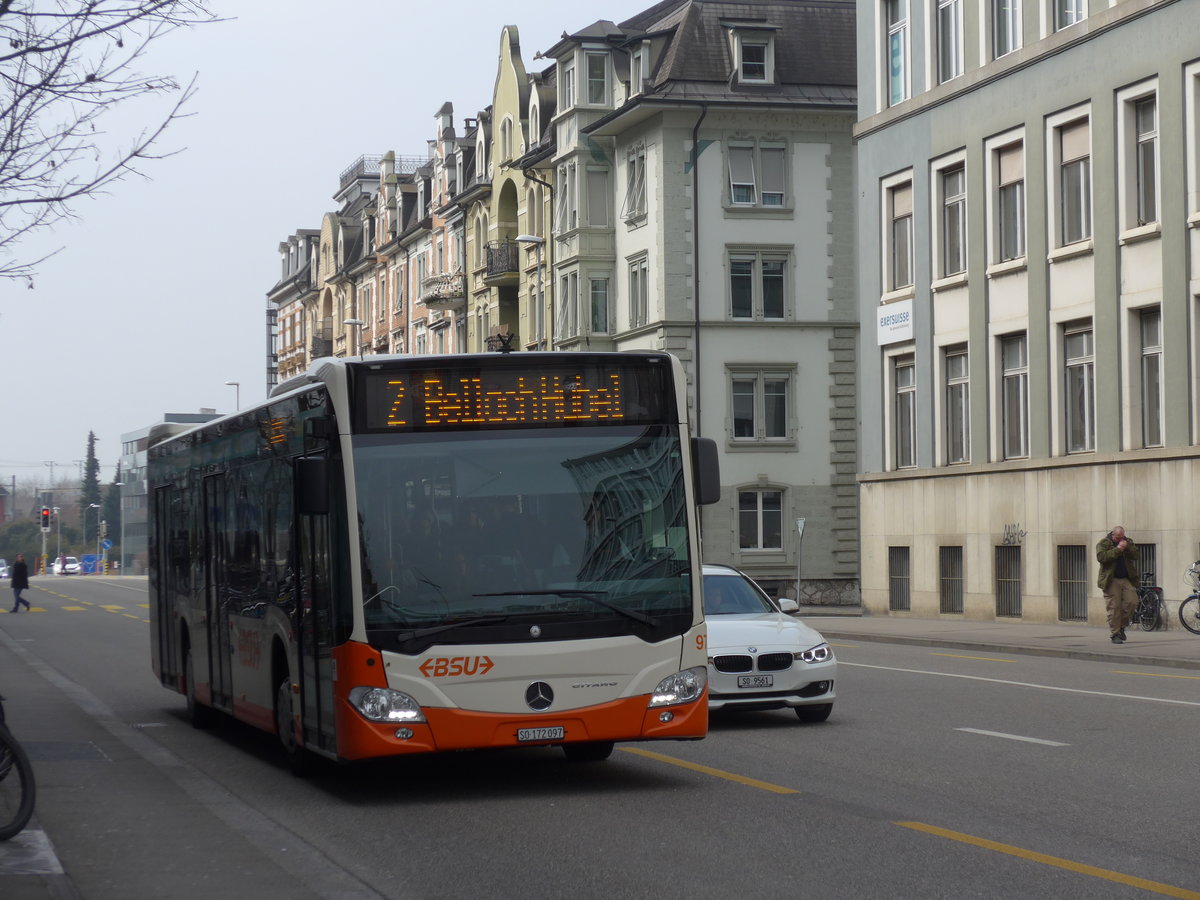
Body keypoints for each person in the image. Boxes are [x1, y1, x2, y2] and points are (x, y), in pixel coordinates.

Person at [1097, 525, 1139, 644]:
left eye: (1122, 537)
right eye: (1118, 537)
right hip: (1111, 579)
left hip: (1126, 578)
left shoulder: (1127, 541)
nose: (1120, 539)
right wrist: (1118, 549)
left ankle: (1121, 626)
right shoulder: (1104, 543)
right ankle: (1115, 634)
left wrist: (1127, 547)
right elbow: (1101, 557)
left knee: (1132, 602)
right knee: (1114, 607)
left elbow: (1136, 556)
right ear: (1113, 534)